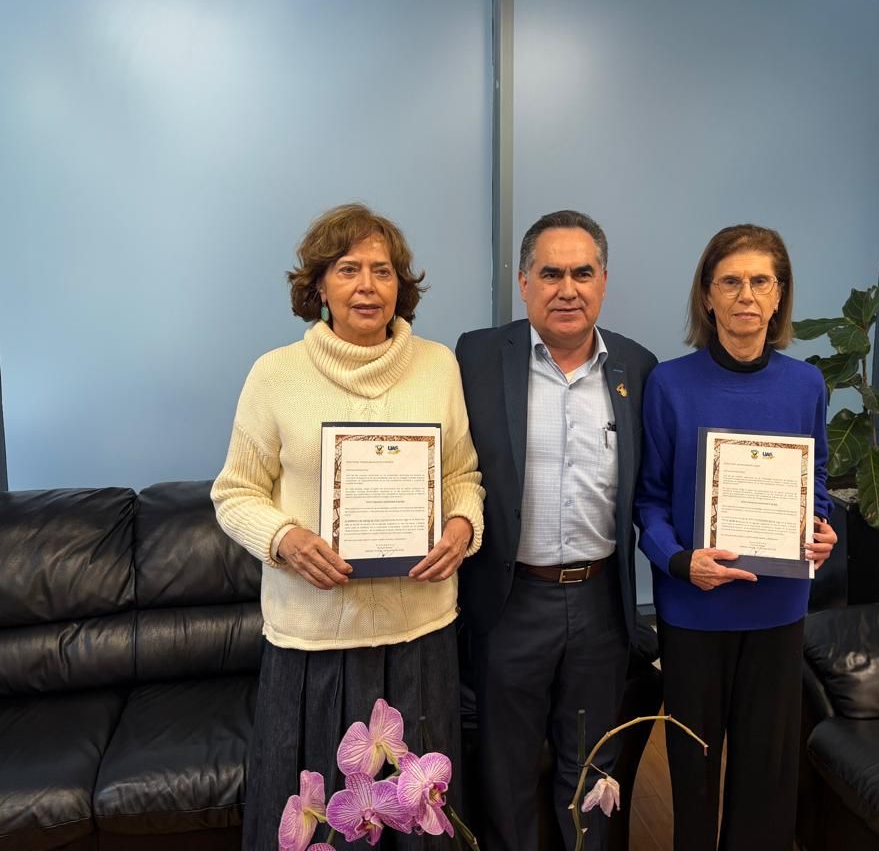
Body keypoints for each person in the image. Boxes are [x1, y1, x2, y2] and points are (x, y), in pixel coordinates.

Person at [211, 204, 485, 850]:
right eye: (348, 269)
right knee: (323, 822)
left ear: (401, 285)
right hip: (312, 642)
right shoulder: (274, 374)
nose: (368, 285)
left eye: (383, 270)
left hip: (418, 633)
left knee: (417, 819)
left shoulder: (439, 366)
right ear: (319, 286)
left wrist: (460, 526)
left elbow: (464, 476)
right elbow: (234, 492)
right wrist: (284, 539)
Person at [455, 210, 657, 851]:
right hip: (511, 600)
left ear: (603, 280)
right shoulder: (477, 357)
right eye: (550, 273)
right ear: (523, 282)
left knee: (592, 765)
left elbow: (655, 486)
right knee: (506, 768)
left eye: (582, 273)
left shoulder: (638, 367)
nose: (567, 288)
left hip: (601, 602)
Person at [635, 224, 837, 851]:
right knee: (693, 766)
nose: (746, 294)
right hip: (695, 605)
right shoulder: (669, 384)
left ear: (779, 297)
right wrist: (678, 560)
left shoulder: (805, 385)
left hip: (777, 606)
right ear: (708, 296)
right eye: (731, 281)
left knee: (766, 771)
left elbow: (818, 481)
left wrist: (820, 529)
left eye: (760, 281)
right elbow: (649, 498)